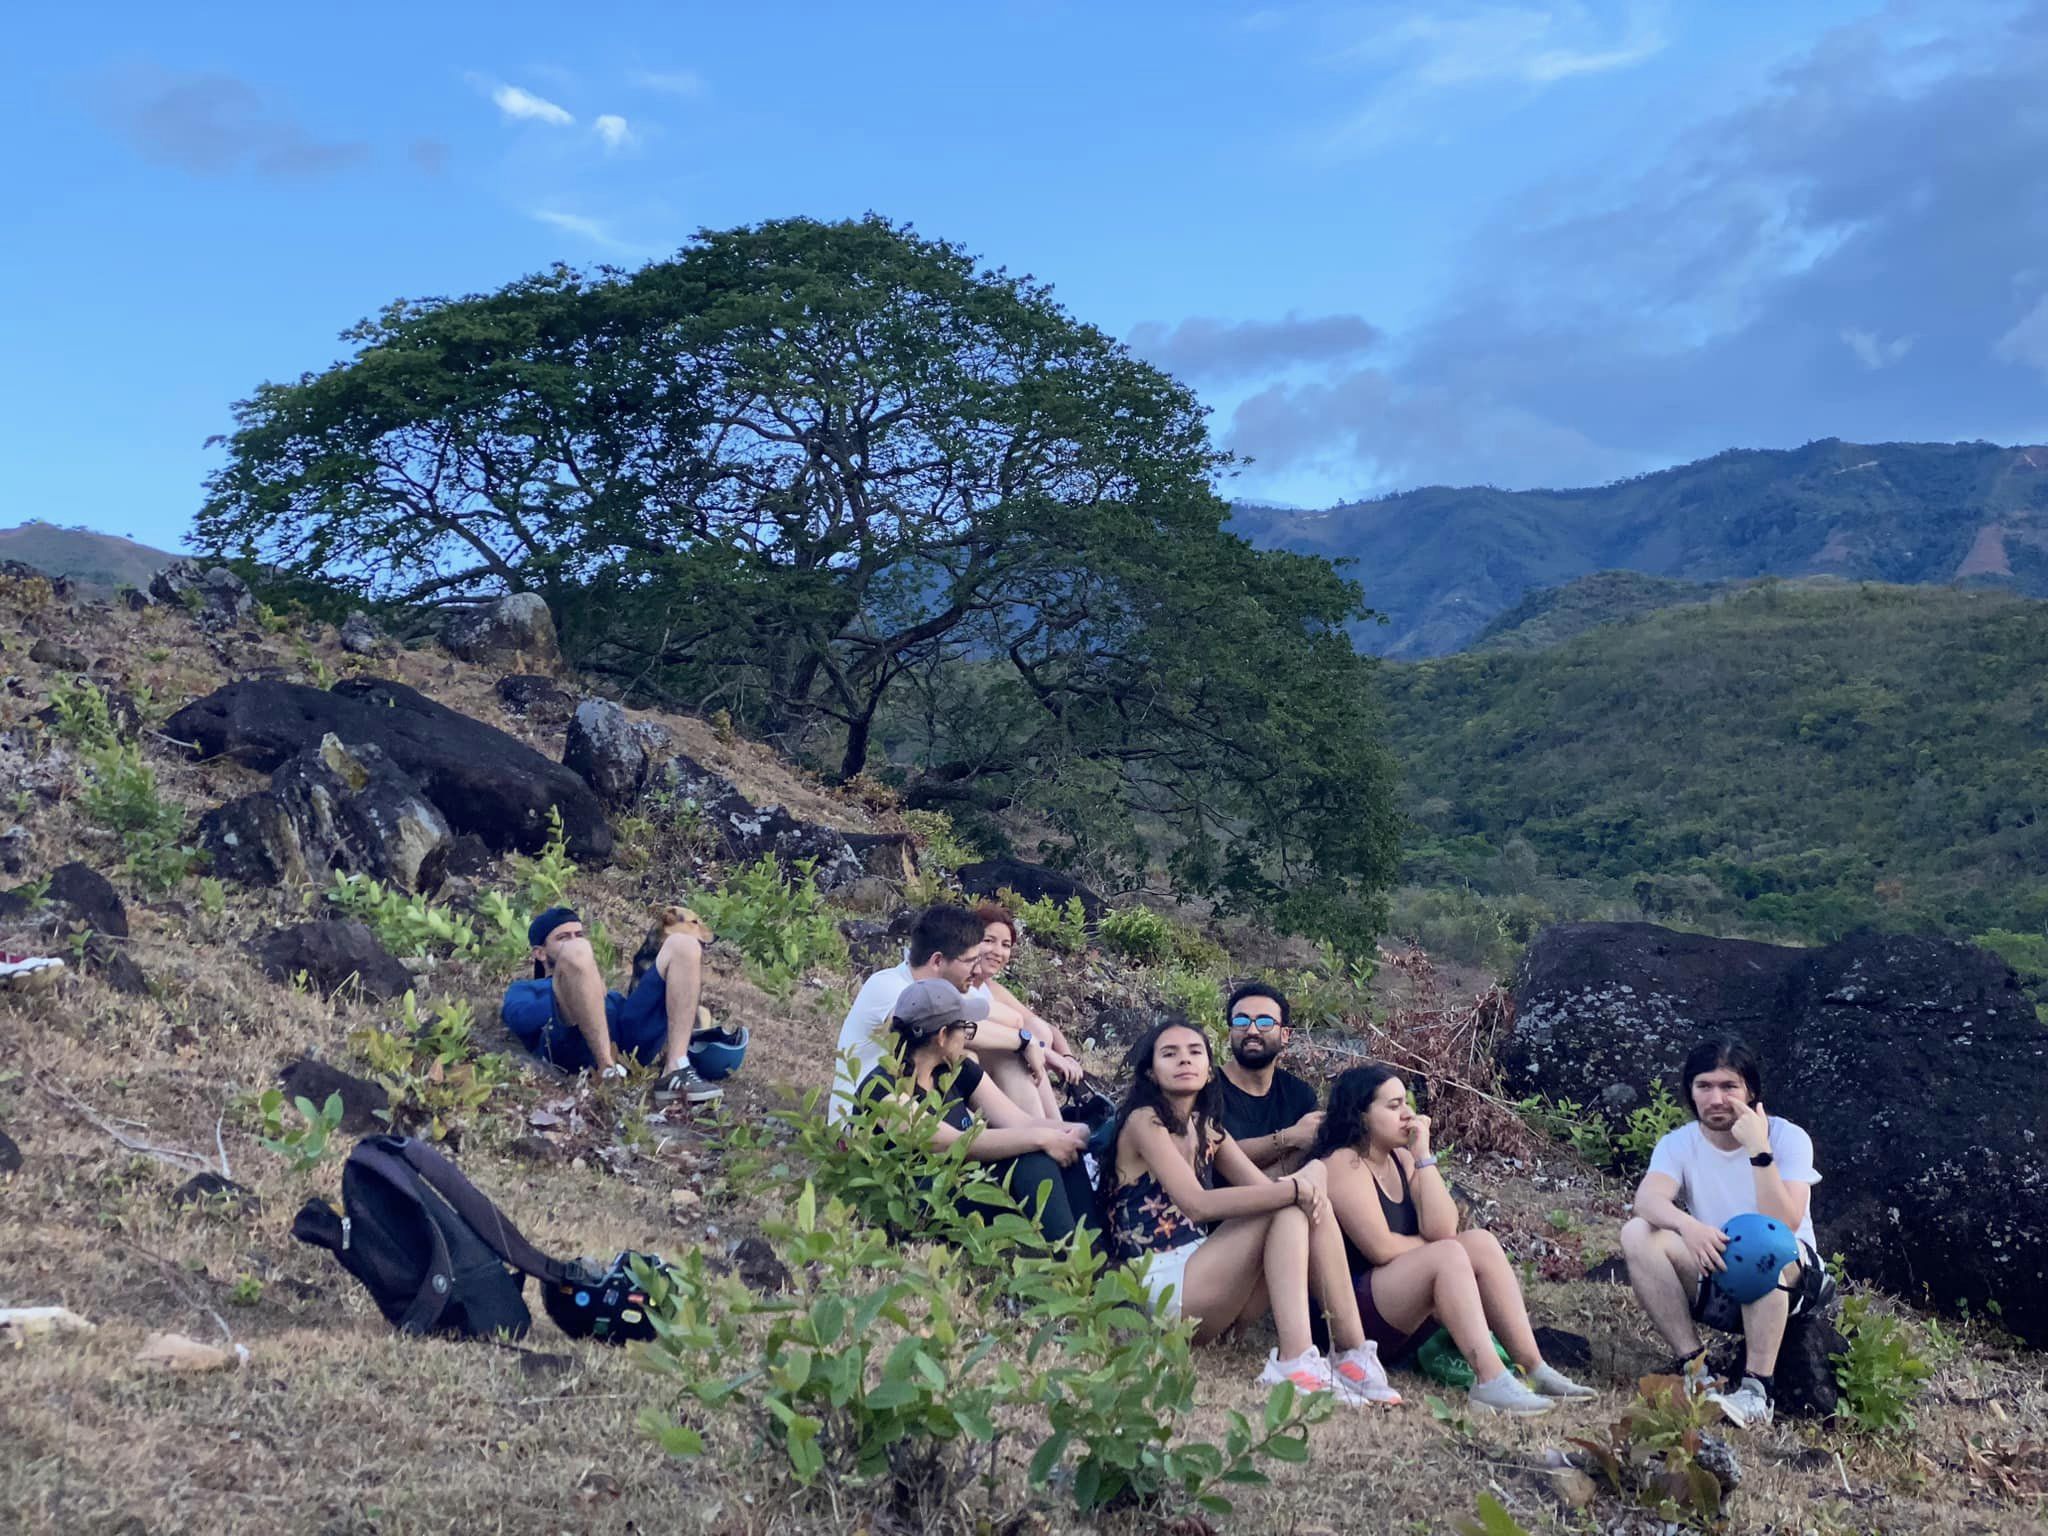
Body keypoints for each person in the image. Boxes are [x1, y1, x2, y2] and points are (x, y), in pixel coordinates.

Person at [1096, 1018, 1402, 1406]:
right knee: (1289, 1202)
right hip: (1158, 1281)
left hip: (1203, 1278)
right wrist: (1297, 1186)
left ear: (1209, 1069)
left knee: (1296, 1206)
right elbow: (1198, 1204)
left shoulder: (1207, 1127)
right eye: (1169, 1054)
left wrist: (1312, 1177)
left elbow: (1261, 1188)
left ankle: (1353, 1355)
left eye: (1195, 1052)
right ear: (1151, 1073)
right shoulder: (1145, 1120)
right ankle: (1295, 1363)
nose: (1184, 1061)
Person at [1314, 1064, 1593, 1415]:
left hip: (1401, 1308)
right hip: (1353, 1317)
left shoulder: (1401, 1158)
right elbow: (1380, 1247)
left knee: (1479, 1242)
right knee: (1448, 1253)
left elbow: (1445, 1228)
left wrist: (1423, 1158)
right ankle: (1490, 1380)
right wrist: (1438, 1248)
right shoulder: (1344, 1162)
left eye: (1407, 1103)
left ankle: (1533, 1367)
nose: (1408, 1114)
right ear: (1362, 1115)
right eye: (1393, 1106)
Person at [1620, 1037, 1830, 1429]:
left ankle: (1757, 1391)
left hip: (1790, 1275)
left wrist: (1759, 1149)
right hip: (1719, 1270)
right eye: (1704, 1086)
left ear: (1751, 1092)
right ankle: (1696, 1370)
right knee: (1638, 1233)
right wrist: (1689, 1227)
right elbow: (1647, 1201)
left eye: (1729, 1087)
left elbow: (1784, 1221)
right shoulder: (1678, 1144)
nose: (1716, 1099)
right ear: (1690, 1092)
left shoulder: (1788, 1137)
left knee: (1756, 1240)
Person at [855, 978, 1094, 1244]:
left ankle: (1097, 1250)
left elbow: (1018, 1122)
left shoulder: (955, 1069)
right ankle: (1071, 1263)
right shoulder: (884, 1089)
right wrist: (1041, 1138)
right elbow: (950, 1142)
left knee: (1066, 1146)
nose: (970, 1037)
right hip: (920, 1198)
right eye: (966, 1029)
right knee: (1036, 1155)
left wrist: (1074, 1132)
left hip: (962, 1180)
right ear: (943, 1036)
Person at [830, 905, 1049, 1125]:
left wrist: (1028, 1043)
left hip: (922, 1109)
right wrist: (1023, 1041)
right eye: (970, 961)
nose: (977, 970)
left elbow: (1013, 1020)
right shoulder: (888, 986)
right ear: (937, 961)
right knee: (972, 1053)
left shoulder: (947, 991)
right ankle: (1036, 1139)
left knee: (1003, 1055)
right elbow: (956, 1030)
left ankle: (1046, 1139)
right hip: (869, 1125)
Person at [502, 905, 723, 1106]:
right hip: (572, 1042)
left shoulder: (609, 994)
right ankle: (607, 1071)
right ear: (539, 952)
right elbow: (520, 1020)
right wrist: (580, 997)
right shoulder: (525, 989)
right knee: (576, 952)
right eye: (563, 937)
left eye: (578, 934)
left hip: (626, 1039)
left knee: (684, 944)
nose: (574, 939)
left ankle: (676, 1068)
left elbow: (627, 1011)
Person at [967, 903, 1085, 1118]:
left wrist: (1067, 1057)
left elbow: (1046, 1028)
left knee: (1036, 1030)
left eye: (1005, 945)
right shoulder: (955, 988)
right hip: (981, 1075)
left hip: (1012, 1070)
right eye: (988, 941)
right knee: (1018, 1050)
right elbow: (992, 1032)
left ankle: (1055, 1126)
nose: (998, 952)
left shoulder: (990, 988)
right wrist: (1043, 1051)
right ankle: (1046, 1129)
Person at [1213, 982, 1321, 1173]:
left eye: (1265, 1022)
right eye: (1241, 1022)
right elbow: (1213, 1156)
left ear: (1285, 1034)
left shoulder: (1299, 1095)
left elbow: (1307, 1158)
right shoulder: (1205, 1089)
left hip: (1284, 1198)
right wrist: (1287, 1138)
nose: (1252, 1031)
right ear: (1230, 1032)